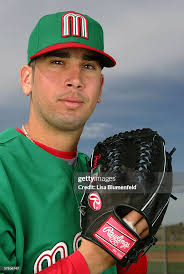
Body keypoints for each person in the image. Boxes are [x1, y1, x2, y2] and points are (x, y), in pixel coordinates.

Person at [0, 11, 148, 274]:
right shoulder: (4, 169)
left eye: (88, 66)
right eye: (57, 62)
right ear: (27, 79)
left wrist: (133, 246)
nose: (76, 79)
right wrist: (94, 258)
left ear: (100, 88)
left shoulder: (101, 177)